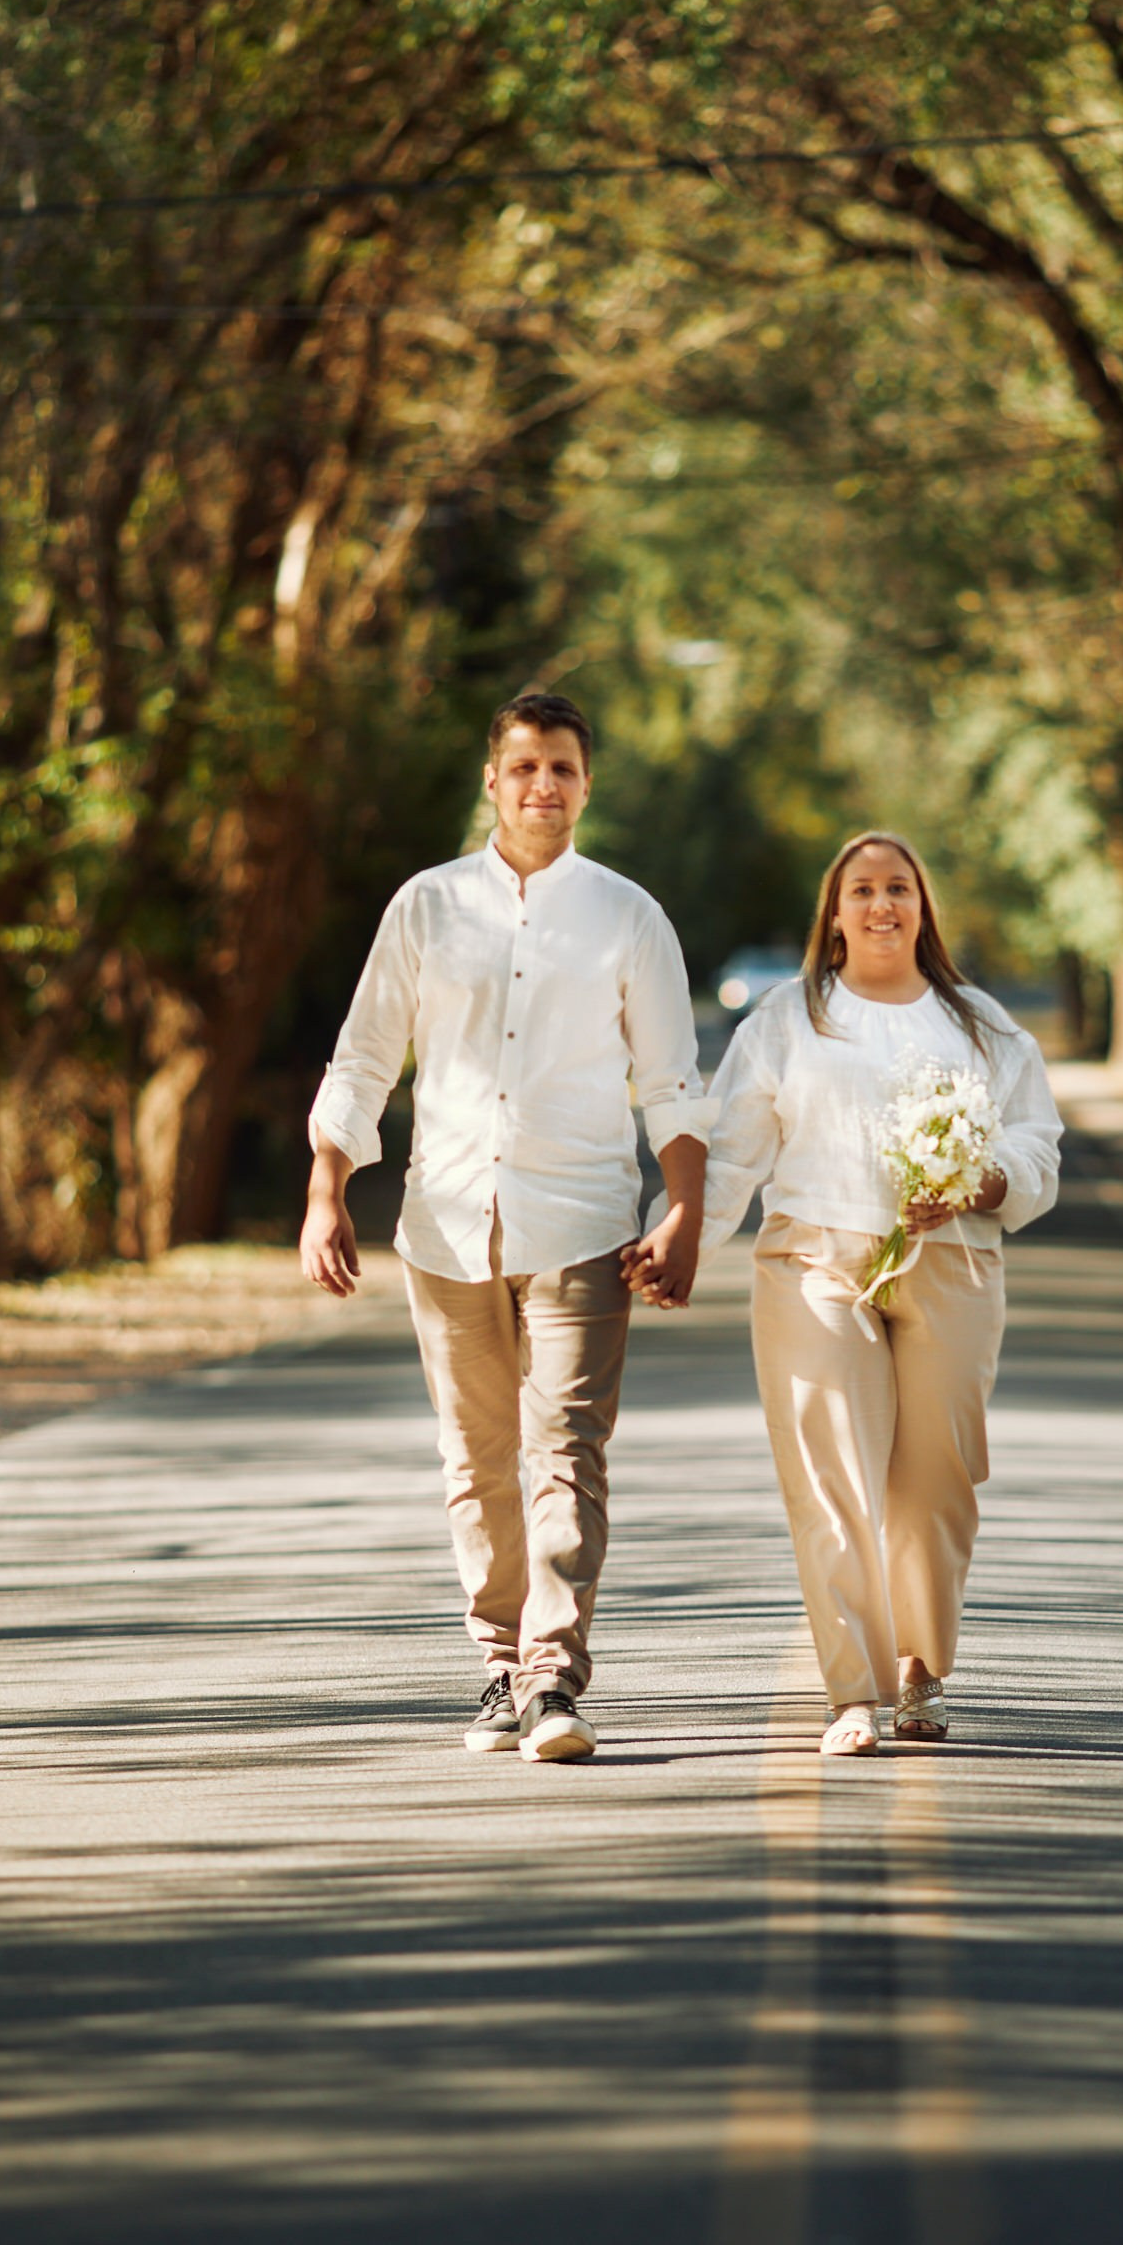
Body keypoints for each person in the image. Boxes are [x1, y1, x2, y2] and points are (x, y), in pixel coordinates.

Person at [299, 691, 707, 1764]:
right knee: (478, 1458)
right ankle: (496, 1664)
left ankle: (552, 1678)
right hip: (443, 1223)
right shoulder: (426, 909)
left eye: (562, 768)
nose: (542, 786)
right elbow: (363, 1057)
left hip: (581, 1224)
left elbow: (669, 1081)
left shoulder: (627, 916)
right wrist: (324, 1191)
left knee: (564, 1452)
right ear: (492, 779)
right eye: (523, 766)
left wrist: (685, 1213)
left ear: (585, 782)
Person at [645, 833, 1059, 1757]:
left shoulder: (982, 1025)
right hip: (814, 1264)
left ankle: (922, 1670)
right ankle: (855, 1694)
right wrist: (681, 1238)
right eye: (861, 890)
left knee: (933, 1482)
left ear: (923, 908)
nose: (881, 906)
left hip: (950, 1264)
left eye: (898, 890)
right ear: (833, 914)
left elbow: (1038, 1147)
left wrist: (983, 1181)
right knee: (832, 1479)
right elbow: (737, 1151)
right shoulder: (788, 1021)